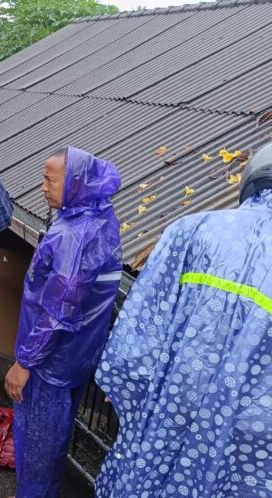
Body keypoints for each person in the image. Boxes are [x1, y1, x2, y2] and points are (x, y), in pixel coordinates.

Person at [94, 143, 272, 497]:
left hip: (167, 417)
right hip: (249, 443)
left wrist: (128, 386)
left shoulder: (193, 231)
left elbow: (140, 330)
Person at [5, 147, 122, 498]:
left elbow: (60, 309)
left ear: (73, 184)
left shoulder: (74, 234)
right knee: (52, 455)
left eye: (49, 179)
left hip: (48, 366)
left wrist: (25, 362)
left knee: (36, 457)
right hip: (73, 361)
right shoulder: (99, 218)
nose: (42, 186)